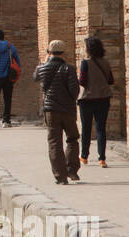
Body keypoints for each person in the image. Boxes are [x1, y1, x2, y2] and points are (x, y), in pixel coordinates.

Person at [35, 40, 81, 184]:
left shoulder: (42, 68)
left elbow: (35, 77)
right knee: (72, 139)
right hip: (67, 109)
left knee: (54, 142)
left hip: (50, 110)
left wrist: (44, 61)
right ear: (63, 52)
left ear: (49, 52)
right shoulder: (69, 69)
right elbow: (75, 91)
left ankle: (60, 176)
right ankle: (71, 169)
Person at [77, 37, 115, 168]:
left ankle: (84, 156)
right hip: (103, 98)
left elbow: (82, 81)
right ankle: (102, 159)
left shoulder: (85, 63)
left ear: (88, 49)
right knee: (101, 129)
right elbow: (110, 80)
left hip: (87, 99)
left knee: (86, 128)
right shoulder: (105, 62)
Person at [0, 28, 20, 127]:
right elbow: (17, 61)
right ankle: (6, 120)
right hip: (7, 76)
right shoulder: (10, 47)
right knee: (7, 98)